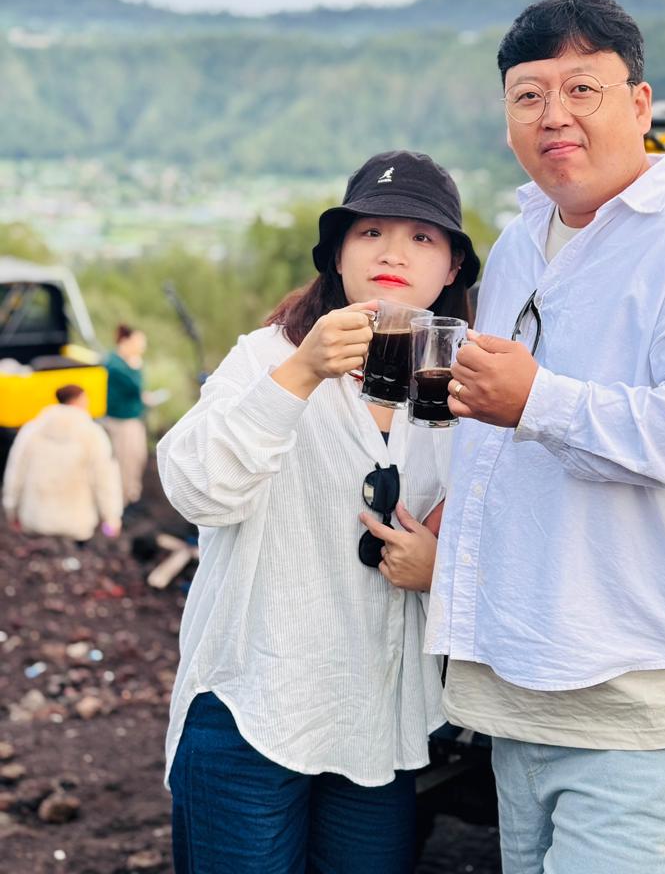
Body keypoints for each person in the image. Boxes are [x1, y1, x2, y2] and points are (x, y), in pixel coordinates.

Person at [427, 0, 665, 874]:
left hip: (641, 688)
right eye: (528, 95)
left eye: (582, 88)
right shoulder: (519, 244)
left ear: (639, 102)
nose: (554, 116)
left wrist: (539, 400)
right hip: (527, 675)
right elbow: (503, 428)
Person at [157, 150, 479, 874]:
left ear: (453, 267)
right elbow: (194, 489)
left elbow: (496, 524)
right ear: (338, 253)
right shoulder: (267, 356)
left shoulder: (458, 388)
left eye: (422, 238)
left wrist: (442, 569)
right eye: (370, 232)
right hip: (252, 706)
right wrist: (300, 373)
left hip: (376, 720)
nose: (394, 251)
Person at [2, 384, 123, 542]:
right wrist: (111, 518)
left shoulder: (31, 430)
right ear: (77, 401)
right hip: (77, 524)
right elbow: (104, 479)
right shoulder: (93, 434)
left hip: (35, 520)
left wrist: (12, 511)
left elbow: (15, 473)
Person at [103, 323, 150, 507]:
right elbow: (135, 386)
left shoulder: (123, 362)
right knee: (125, 463)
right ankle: (121, 504)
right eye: (139, 342)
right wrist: (136, 366)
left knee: (137, 458)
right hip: (121, 423)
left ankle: (130, 497)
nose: (142, 347)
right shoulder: (116, 365)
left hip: (132, 420)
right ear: (126, 341)